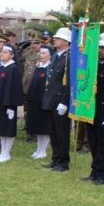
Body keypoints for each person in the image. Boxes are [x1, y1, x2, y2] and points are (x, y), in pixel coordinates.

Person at [81, 32, 104, 185]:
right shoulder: (96, 63)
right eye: (100, 47)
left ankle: (103, 173)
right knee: (93, 141)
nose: (101, 50)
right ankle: (94, 170)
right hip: (92, 107)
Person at [41, 27, 72, 171]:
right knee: (53, 132)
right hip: (50, 99)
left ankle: (63, 162)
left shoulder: (69, 57)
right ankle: (55, 159)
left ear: (66, 42)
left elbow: (70, 82)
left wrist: (65, 102)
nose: (55, 40)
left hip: (60, 100)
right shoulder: (55, 56)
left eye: (58, 39)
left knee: (62, 132)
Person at [0, 45, 24, 162]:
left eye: (5, 52)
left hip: (8, 104)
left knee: (8, 129)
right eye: (1, 52)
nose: (2, 54)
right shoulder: (1, 67)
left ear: (12, 55)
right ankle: (3, 152)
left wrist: (10, 106)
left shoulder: (13, 69)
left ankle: (7, 153)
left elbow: (15, 89)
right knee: (1, 128)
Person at [26, 46, 52, 158]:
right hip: (34, 101)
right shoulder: (38, 67)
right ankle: (38, 149)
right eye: (40, 53)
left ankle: (43, 150)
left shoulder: (50, 68)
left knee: (44, 127)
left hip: (43, 101)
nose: (41, 55)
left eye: (44, 53)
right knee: (37, 126)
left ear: (50, 55)